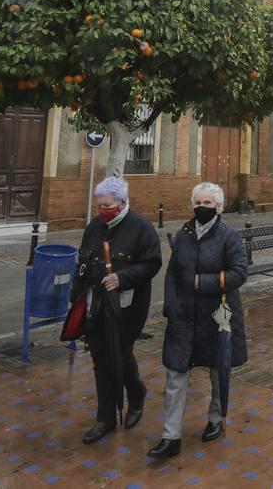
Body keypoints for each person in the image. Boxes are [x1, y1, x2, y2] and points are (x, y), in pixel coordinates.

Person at [148, 181, 249, 460]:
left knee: (218, 370)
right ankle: (171, 436)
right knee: (175, 373)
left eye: (207, 203)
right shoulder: (184, 233)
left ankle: (216, 418)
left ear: (218, 206)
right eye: (198, 202)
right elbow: (171, 273)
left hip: (217, 313)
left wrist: (200, 282)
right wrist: (170, 303)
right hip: (184, 314)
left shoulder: (229, 235)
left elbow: (240, 273)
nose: (201, 207)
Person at [70, 176, 163, 444]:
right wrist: (75, 296)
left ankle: (136, 394)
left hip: (127, 306)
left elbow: (152, 263)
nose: (103, 210)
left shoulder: (141, 227)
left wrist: (123, 278)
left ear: (123, 203)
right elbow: (83, 262)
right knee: (100, 356)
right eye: (99, 205)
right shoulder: (94, 227)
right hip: (95, 303)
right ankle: (105, 418)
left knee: (120, 353)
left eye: (108, 205)